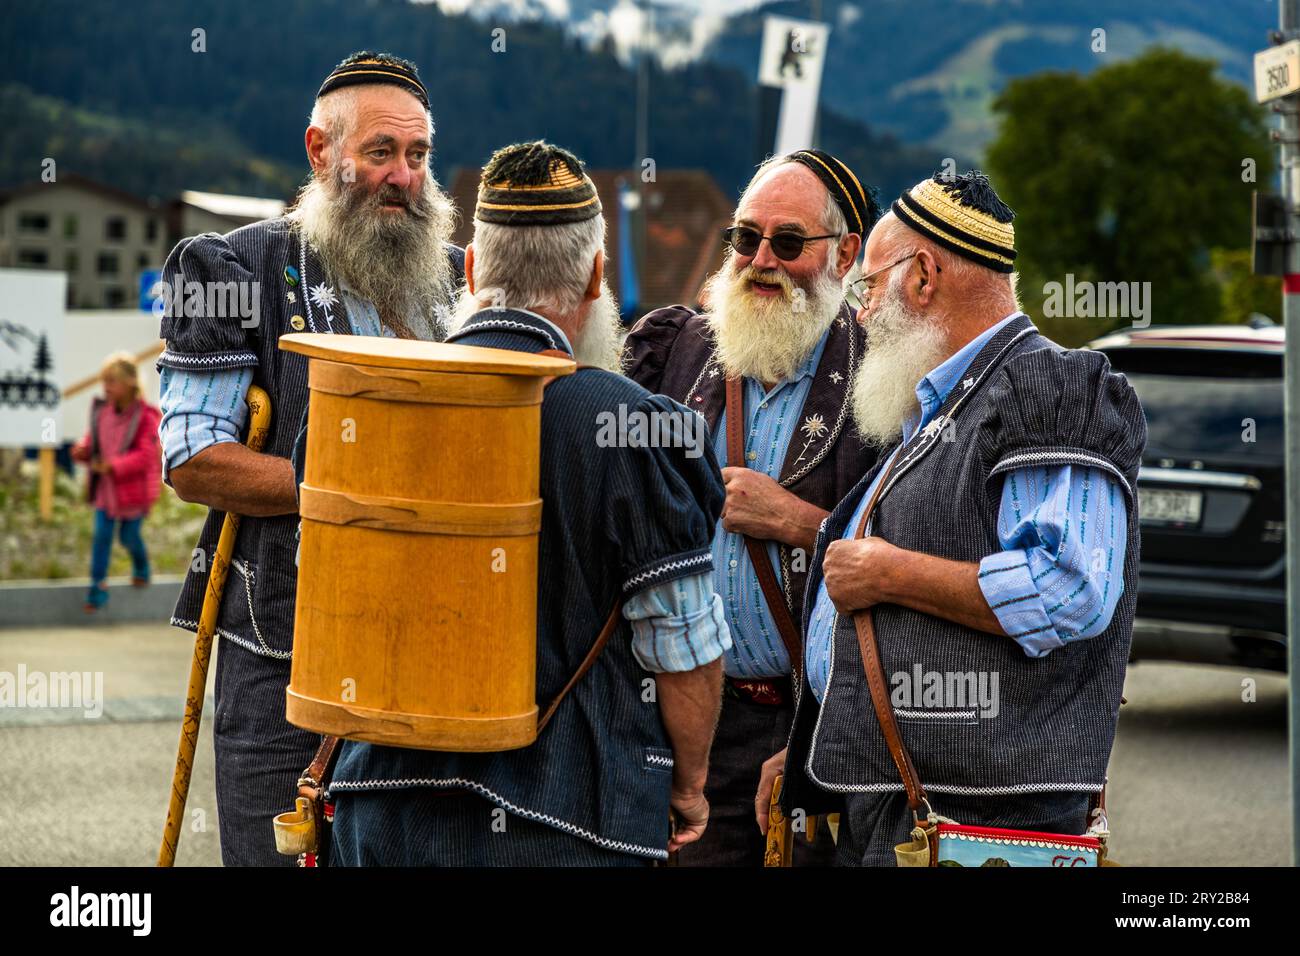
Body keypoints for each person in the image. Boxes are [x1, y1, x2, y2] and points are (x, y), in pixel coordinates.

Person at [322, 141, 732, 866]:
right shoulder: (638, 427)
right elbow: (683, 651)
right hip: (568, 823)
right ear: (597, 276)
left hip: (376, 809)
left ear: (472, 269)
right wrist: (690, 785)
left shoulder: (369, 405)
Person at [761, 170, 1147, 865]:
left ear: (924, 276)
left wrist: (888, 572)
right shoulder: (941, 406)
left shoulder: (1048, 386)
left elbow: (1067, 589)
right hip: (903, 806)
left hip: (983, 825)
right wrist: (809, 749)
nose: (862, 313)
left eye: (868, 287)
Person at [155, 51, 463, 866]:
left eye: (419, 155)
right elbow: (194, 460)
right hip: (286, 656)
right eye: (380, 153)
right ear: (319, 151)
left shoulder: (453, 288)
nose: (404, 176)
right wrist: (360, 490)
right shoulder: (227, 267)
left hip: (437, 650)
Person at [622, 150, 880, 866]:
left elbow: (907, 557)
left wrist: (797, 522)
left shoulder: (884, 377)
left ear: (845, 253)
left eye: (788, 242)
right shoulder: (679, 351)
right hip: (679, 717)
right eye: (746, 237)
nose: (761, 259)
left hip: (811, 724)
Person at [71, 351, 161, 612]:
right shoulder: (102, 413)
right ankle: (96, 589)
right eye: (105, 381)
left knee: (129, 536)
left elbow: (146, 456)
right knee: (101, 537)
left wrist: (114, 466)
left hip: (133, 492)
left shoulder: (145, 417)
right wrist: (83, 450)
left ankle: (141, 566)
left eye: (112, 381)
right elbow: (93, 441)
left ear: (130, 383)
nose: (106, 388)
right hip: (106, 491)